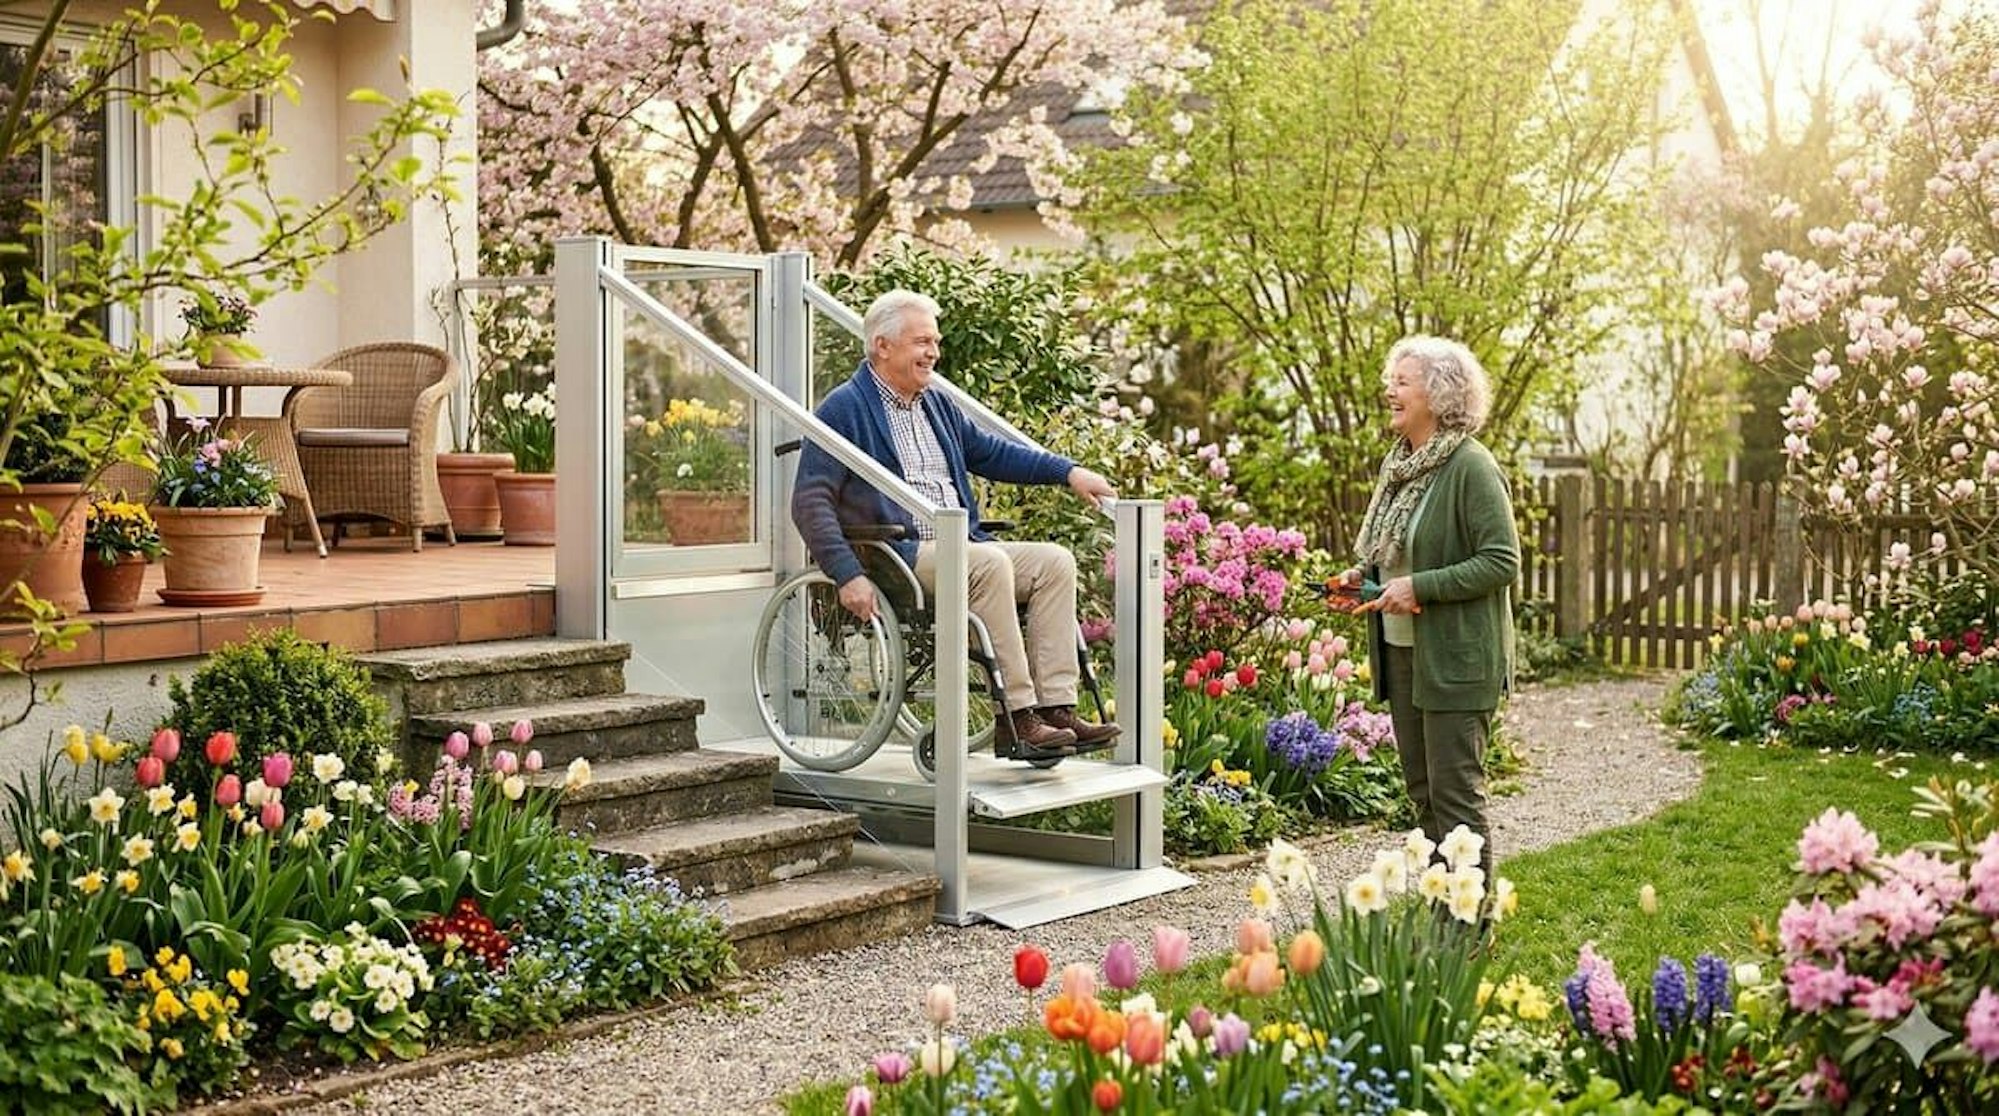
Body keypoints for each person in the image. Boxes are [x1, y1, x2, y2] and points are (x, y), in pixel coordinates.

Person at [790, 289, 1121, 761]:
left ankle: (1056, 709)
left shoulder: (935, 404)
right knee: (986, 563)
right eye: (922, 342)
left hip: (960, 548)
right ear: (883, 345)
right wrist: (846, 573)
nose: (933, 353)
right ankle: (1017, 718)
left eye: (936, 342)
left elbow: (993, 453)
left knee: (1054, 562)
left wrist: (1066, 471)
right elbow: (809, 500)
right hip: (901, 557)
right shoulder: (845, 408)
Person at [1342, 335, 1518, 883]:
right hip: (1404, 655)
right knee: (1422, 794)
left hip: (1457, 659)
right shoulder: (1401, 466)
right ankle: (1443, 906)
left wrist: (1421, 588)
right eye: (1390, 380)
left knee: (1456, 798)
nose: (1388, 391)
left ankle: (1471, 927)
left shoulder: (1470, 467)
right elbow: (1394, 553)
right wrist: (1362, 579)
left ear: (1438, 395)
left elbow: (1501, 561)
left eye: (1402, 382)